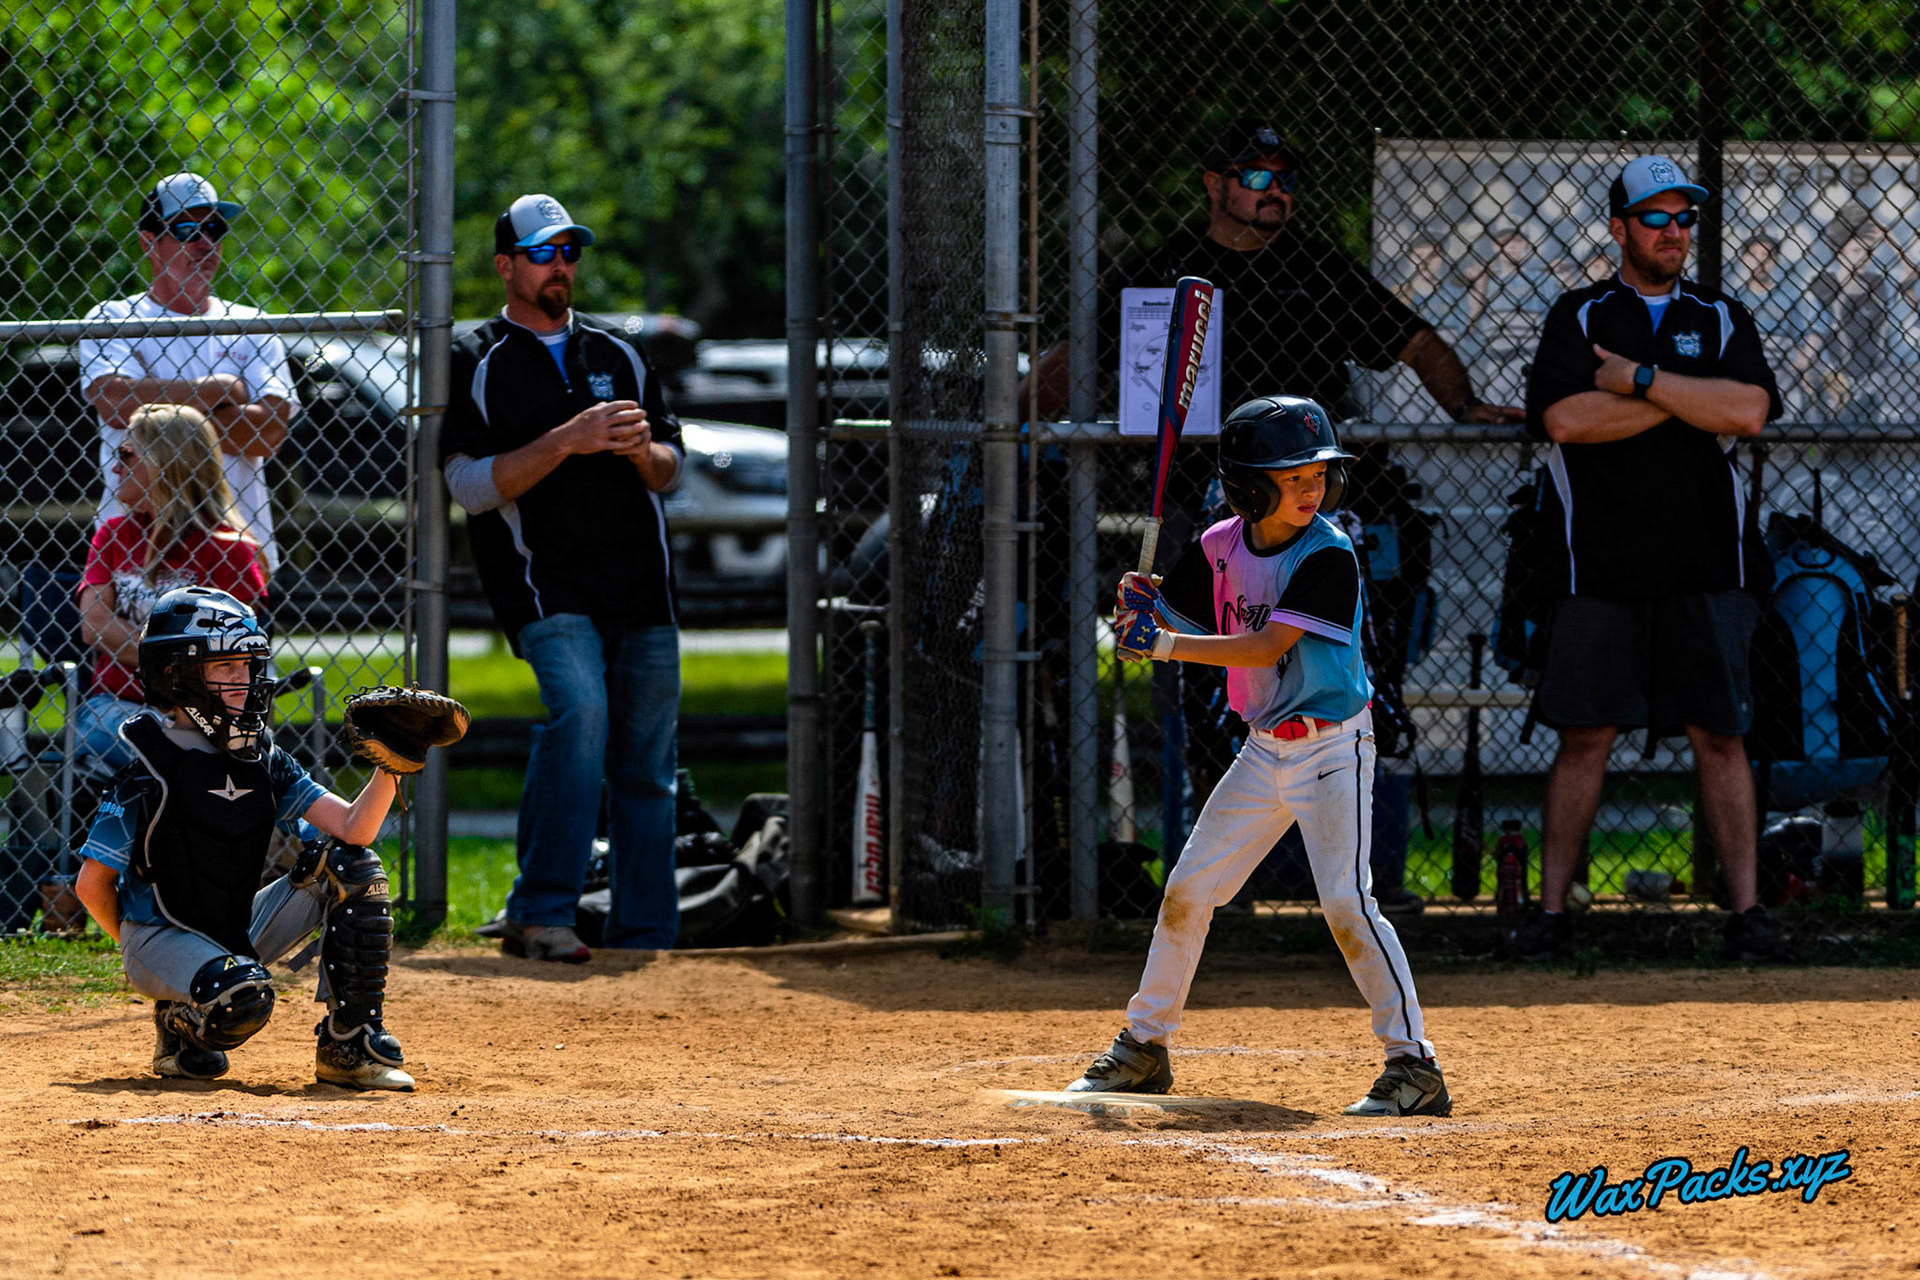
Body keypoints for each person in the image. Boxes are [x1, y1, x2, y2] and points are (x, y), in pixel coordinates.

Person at [1063, 396, 1450, 1117]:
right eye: (1292, 477)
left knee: (1348, 903)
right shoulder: (1219, 545)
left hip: (1333, 748)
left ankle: (1414, 1065)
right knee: (1188, 889)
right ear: (1247, 487)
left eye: (1318, 475)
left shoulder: (1328, 552)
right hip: (1264, 750)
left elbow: (1264, 645)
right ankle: (1144, 1046)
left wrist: (1163, 645)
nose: (1311, 489)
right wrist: (1139, 606)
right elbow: (1169, 616)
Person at [1515, 155, 1789, 962]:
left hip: (1708, 562)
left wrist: (1636, 380)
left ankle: (1747, 915)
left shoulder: (1722, 315)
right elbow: (1566, 421)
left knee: (1721, 735)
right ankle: (1552, 915)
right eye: (1655, 218)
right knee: (1585, 736)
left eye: (1684, 219)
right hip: (1595, 564)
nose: (1673, 232)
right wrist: (1687, 397)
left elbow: (1748, 411)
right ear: (1619, 228)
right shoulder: (1579, 314)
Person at [442, 194, 686, 962]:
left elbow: (670, 469)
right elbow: (467, 486)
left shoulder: (618, 352)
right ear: (505, 266)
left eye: (569, 251)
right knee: (581, 715)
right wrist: (568, 440)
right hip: (543, 581)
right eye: (543, 253)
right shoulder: (475, 355)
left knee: (647, 764)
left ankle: (646, 934)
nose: (560, 267)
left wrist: (643, 453)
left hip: (642, 582)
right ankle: (542, 911)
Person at [70, 587, 415, 1089]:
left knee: (351, 867)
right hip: (160, 936)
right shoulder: (147, 764)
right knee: (241, 998)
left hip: (236, 926)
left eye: (248, 665)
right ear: (177, 674)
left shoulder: (264, 759)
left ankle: (350, 1043)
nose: (245, 679)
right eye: (226, 666)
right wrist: (144, 952)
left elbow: (353, 828)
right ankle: (180, 1021)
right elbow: (91, 886)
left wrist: (392, 764)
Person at [78, 173, 299, 573]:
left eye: (214, 229)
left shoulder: (251, 324)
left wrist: (156, 420)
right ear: (149, 242)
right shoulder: (114, 318)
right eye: (187, 230)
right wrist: (221, 389)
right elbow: (116, 404)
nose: (205, 243)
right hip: (135, 552)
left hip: (233, 550)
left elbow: (268, 434)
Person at [76, 404, 268, 772]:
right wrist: (184, 666)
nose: (115, 467)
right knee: (161, 744)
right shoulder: (113, 535)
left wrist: (158, 664)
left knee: (212, 749)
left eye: (127, 454)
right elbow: (96, 626)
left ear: (165, 461)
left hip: (207, 712)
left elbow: (232, 651)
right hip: (118, 704)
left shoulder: (230, 549)